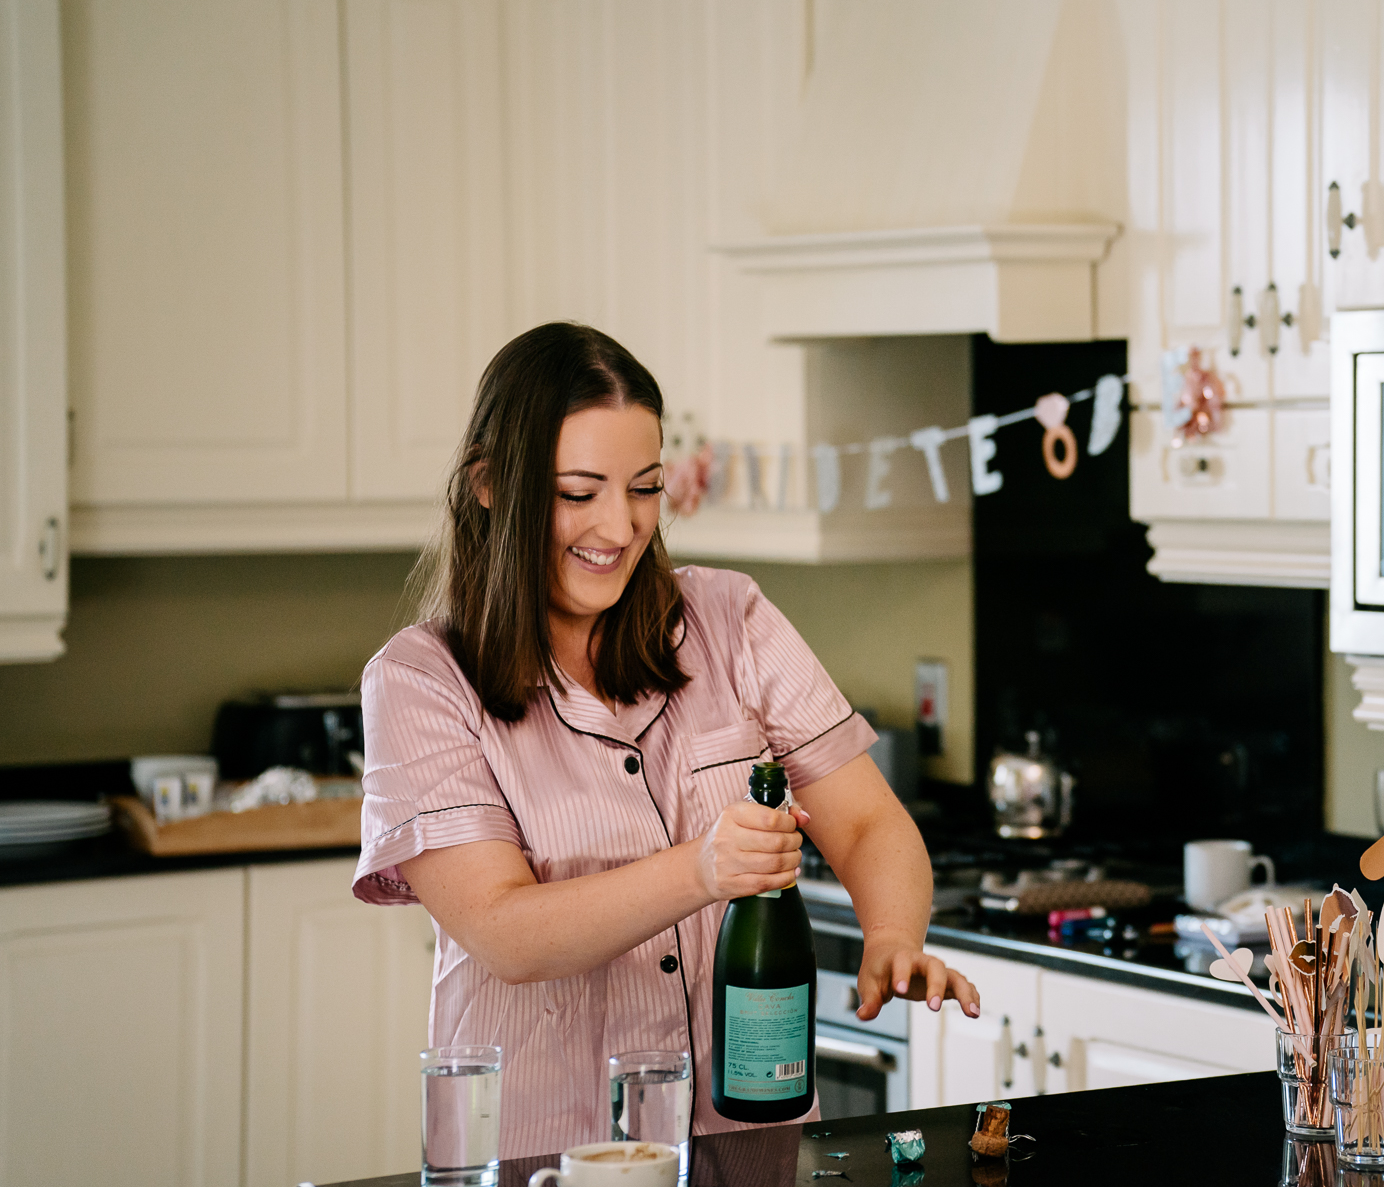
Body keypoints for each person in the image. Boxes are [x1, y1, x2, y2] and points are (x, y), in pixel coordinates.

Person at [352, 322, 980, 1158]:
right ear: (491, 485)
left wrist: (893, 937)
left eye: (644, 487)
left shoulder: (732, 620)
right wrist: (701, 870)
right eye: (579, 493)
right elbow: (505, 932)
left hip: (750, 1145)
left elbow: (867, 824)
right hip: (548, 1154)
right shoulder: (421, 683)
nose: (619, 525)